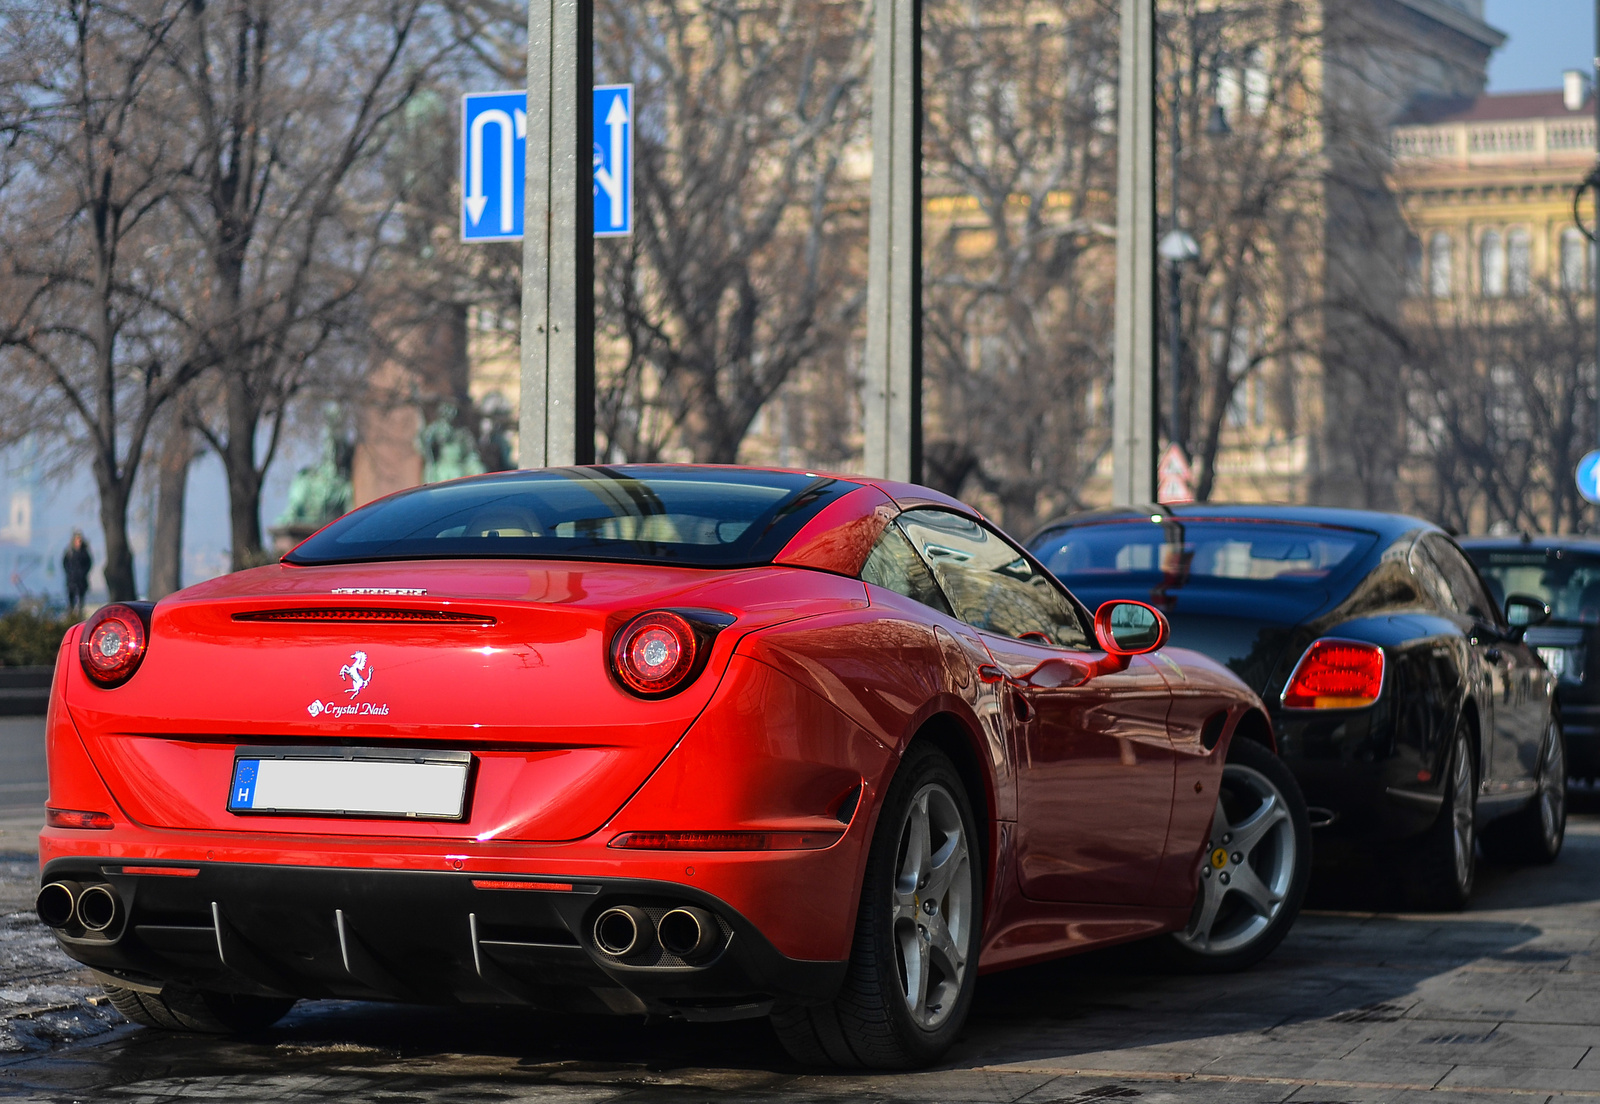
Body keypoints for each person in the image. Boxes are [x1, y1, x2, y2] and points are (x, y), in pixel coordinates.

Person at [63, 530, 91, 613]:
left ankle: (79, 613)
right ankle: (71, 613)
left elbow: (88, 564)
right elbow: (65, 564)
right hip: (71, 580)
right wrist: (70, 573)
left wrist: (83, 573)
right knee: (71, 600)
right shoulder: (69, 552)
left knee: (81, 601)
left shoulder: (84, 552)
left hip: (81, 581)